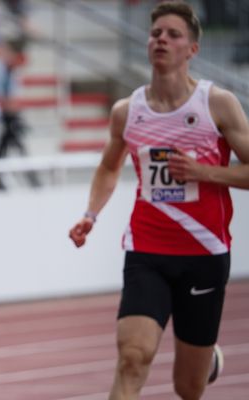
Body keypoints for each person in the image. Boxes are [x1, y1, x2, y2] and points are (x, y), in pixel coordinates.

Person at [68, 2, 249, 399]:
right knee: (132, 357)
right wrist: (90, 214)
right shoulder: (127, 111)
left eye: (173, 34)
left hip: (204, 254)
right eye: (155, 34)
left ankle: (207, 360)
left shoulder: (216, 104)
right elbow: (109, 168)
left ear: (192, 49)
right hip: (147, 249)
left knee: (187, 388)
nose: (161, 40)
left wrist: (206, 173)